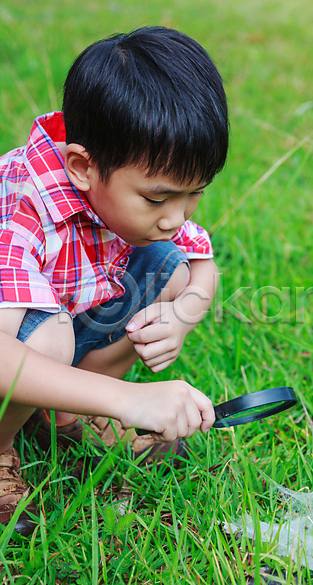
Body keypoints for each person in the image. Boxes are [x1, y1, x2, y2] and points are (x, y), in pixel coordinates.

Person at [0, 26, 229, 534]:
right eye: (158, 199)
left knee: (169, 269)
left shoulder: (138, 183)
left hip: (68, 306)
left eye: (195, 194)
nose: (177, 216)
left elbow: (201, 267)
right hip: (15, 339)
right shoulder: (24, 207)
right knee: (49, 338)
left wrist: (181, 316)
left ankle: (65, 418)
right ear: (82, 166)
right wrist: (131, 400)